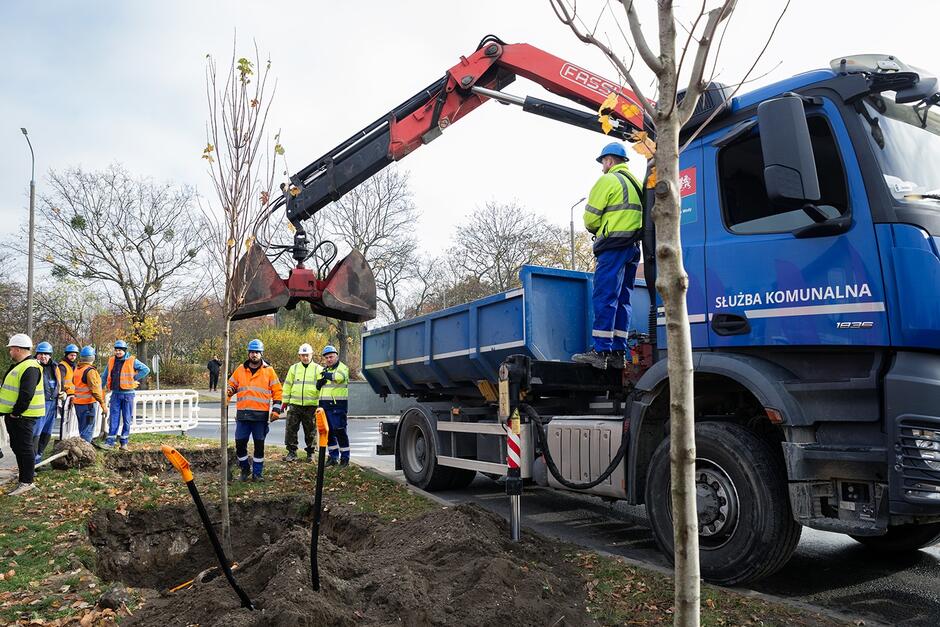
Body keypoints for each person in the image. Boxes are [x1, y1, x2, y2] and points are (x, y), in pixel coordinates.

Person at [572, 142, 644, 370]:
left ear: (609, 160)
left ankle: (601, 351)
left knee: (605, 296)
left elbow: (591, 219)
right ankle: (617, 353)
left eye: (603, 162)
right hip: (633, 248)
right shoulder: (637, 183)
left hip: (613, 246)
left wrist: (598, 229)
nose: (602, 166)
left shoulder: (607, 180)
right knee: (624, 300)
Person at [226, 339, 282, 481]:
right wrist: (226, 396)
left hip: (260, 416)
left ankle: (257, 474)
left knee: (259, 446)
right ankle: (245, 469)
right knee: (240, 444)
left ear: (261, 353)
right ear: (248, 353)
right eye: (252, 352)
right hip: (243, 415)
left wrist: (276, 410)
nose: (254, 355)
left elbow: (277, 391)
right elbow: (231, 386)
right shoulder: (240, 369)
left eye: (257, 352)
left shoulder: (269, 371)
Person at [0, 334, 44, 495]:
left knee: (24, 448)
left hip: (23, 416)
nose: (10, 352)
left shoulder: (30, 367)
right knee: (18, 447)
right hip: (16, 416)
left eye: (11, 349)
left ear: (17, 349)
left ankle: (27, 482)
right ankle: (24, 478)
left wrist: (16, 413)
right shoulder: (22, 365)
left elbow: (26, 394)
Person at [100, 340, 150, 449]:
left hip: (128, 394)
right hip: (115, 394)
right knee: (114, 418)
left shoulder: (132, 361)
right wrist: (100, 388)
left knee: (127, 418)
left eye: (120, 350)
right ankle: (110, 442)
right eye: (116, 350)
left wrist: (134, 378)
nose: (118, 352)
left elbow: (146, 369)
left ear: (124, 351)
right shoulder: (111, 361)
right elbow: (104, 376)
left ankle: (124, 442)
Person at [281, 343, 322, 462]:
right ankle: (292, 452)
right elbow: (287, 385)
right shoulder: (293, 368)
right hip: (295, 405)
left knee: (311, 431)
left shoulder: (318, 369)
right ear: (299, 355)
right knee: (291, 429)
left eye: (307, 355)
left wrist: (321, 404)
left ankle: (311, 453)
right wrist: (285, 401)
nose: (305, 357)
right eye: (303, 355)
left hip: (311, 405)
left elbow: (322, 388)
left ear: (311, 355)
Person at [318, 345, 350, 467]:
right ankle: (333, 457)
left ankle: (345, 459)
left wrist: (326, 376)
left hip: (338, 406)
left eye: (331, 357)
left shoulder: (342, 368)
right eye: (326, 358)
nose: (329, 359)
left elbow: (339, 378)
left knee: (340, 432)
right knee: (329, 433)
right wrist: (319, 384)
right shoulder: (326, 370)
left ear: (336, 356)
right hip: (325, 406)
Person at [31, 342, 61, 465]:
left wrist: (61, 392)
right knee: (35, 435)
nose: (43, 356)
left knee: (46, 434)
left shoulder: (55, 366)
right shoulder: (32, 367)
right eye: (41, 354)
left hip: (52, 404)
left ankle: (38, 459)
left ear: (50, 355)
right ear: (36, 354)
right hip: (39, 405)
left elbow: (59, 382)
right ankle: (31, 463)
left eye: (46, 354)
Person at [73, 346, 107, 443]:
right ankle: (85, 452)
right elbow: (95, 390)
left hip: (78, 404)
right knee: (87, 430)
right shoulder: (90, 371)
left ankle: (82, 449)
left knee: (82, 429)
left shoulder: (78, 369)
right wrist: (103, 404)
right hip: (88, 405)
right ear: (93, 357)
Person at [58, 344, 79, 438]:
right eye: (71, 355)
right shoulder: (63, 366)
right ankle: (63, 437)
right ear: (67, 355)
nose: (73, 357)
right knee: (64, 418)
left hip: (73, 395)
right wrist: (62, 392)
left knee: (71, 419)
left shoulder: (74, 366)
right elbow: (61, 381)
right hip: (65, 395)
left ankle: (69, 437)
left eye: (75, 355)